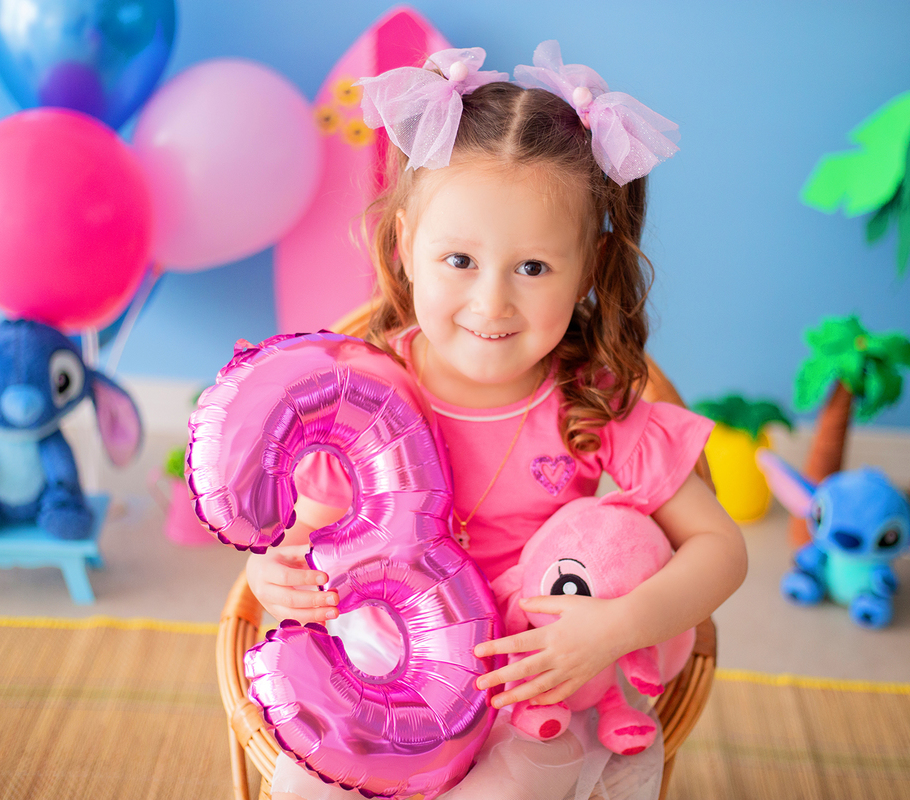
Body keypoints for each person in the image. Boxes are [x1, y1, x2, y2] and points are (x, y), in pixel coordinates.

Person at [246, 41, 748, 800]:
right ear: (408, 242)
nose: (492, 303)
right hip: (388, 663)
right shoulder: (367, 395)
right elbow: (303, 534)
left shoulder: (591, 401)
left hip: (531, 680)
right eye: (459, 260)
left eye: (535, 268)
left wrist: (613, 630)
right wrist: (272, 570)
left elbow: (721, 550)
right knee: (305, 784)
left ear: (587, 270)